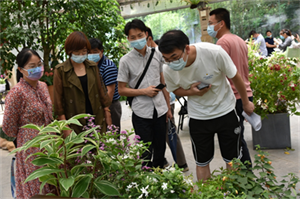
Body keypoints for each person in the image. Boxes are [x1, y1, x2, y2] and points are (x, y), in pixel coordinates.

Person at [159, 30, 254, 181]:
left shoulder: (213, 52)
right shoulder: (168, 68)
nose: (171, 63)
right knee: (202, 162)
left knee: (232, 160)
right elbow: (174, 88)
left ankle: (234, 193)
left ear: (187, 49)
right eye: (166, 59)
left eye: (174, 57)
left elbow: (235, 77)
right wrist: (191, 92)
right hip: (198, 117)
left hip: (225, 111)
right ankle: (206, 193)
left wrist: (246, 102)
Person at [117, 19, 172, 168]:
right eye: (132, 37)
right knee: (145, 152)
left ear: (146, 34)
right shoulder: (125, 61)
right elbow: (121, 89)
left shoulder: (157, 54)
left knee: (160, 149)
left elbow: (163, 81)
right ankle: (146, 183)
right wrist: (144, 92)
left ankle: (160, 178)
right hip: (141, 112)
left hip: (160, 110)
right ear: (128, 39)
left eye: (139, 35)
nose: (137, 39)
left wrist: (168, 107)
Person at [3, 48, 53, 198]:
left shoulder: (43, 86)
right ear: (21, 69)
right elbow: (8, 128)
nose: (38, 68)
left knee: (52, 184)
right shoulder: (17, 93)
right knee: (37, 188)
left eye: (39, 64)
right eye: (32, 66)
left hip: (50, 145)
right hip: (31, 150)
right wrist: (27, 135)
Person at [208, 8, 253, 168]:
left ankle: (246, 177)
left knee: (235, 142)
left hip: (233, 97)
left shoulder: (222, 43)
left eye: (211, 23)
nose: (209, 27)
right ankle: (246, 178)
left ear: (222, 23)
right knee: (238, 137)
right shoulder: (239, 40)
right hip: (245, 94)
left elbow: (218, 72)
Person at [54, 31, 112, 136]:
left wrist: (107, 113)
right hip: (75, 121)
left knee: (99, 148)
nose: (81, 55)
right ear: (70, 51)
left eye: (84, 51)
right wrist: (65, 127)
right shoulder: (61, 71)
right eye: (77, 52)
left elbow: (101, 91)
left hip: (96, 118)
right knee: (79, 151)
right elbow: (58, 103)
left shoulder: (92, 66)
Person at [147, 33, 189, 171]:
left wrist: (168, 108)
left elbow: (163, 82)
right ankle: (162, 160)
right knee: (160, 135)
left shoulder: (161, 54)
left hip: (165, 100)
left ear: (148, 37)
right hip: (155, 102)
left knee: (170, 132)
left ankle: (181, 163)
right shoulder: (151, 55)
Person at [88, 38, 122, 133]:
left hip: (110, 105)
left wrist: (106, 110)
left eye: (94, 52)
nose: (91, 55)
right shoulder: (91, 65)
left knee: (112, 135)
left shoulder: (108, 66)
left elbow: (109, 92)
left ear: (101, 51)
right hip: (98, 105)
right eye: (89, 52)